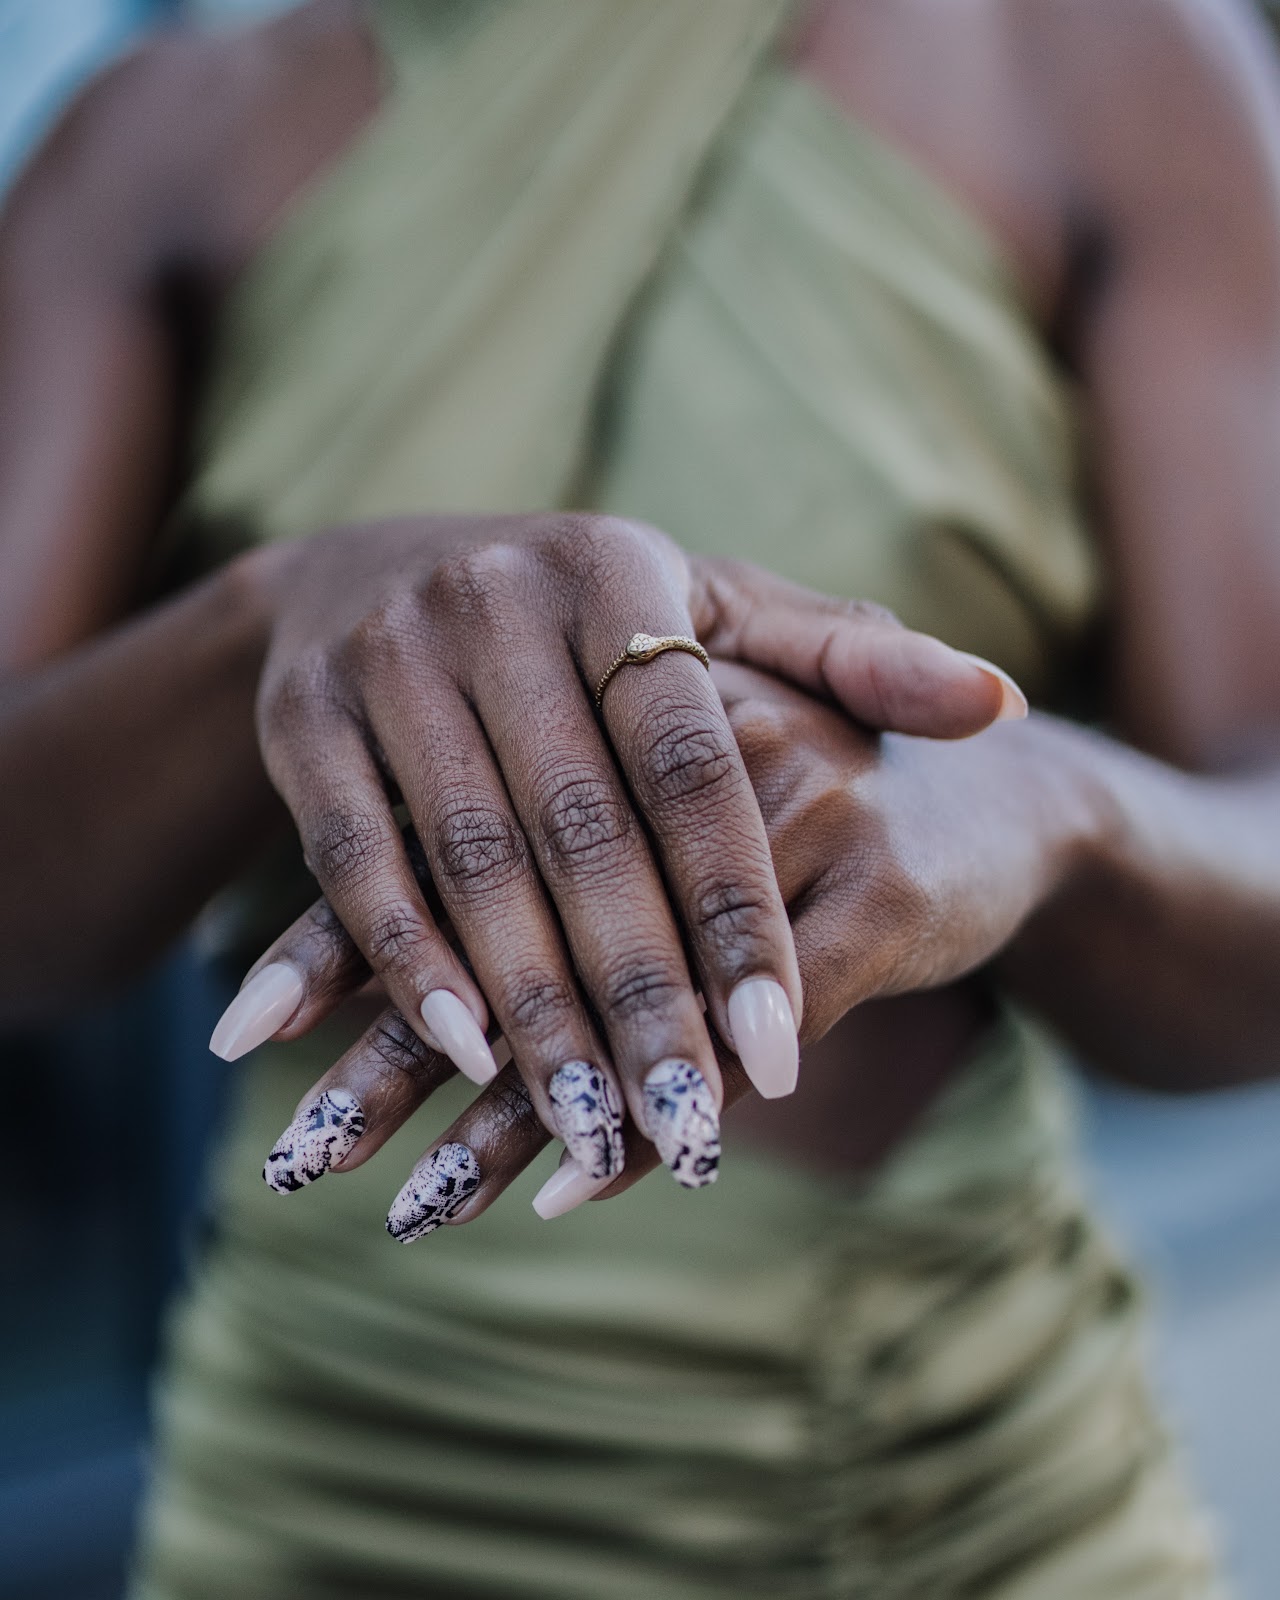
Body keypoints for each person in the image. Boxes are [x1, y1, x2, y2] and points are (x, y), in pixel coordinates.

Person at [3, 0, 1280, 1592]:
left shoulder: (1104, 59)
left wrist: (1038, 808)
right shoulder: (152, 148)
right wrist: (272, 622)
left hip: (957, 1486)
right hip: (336, 1483)